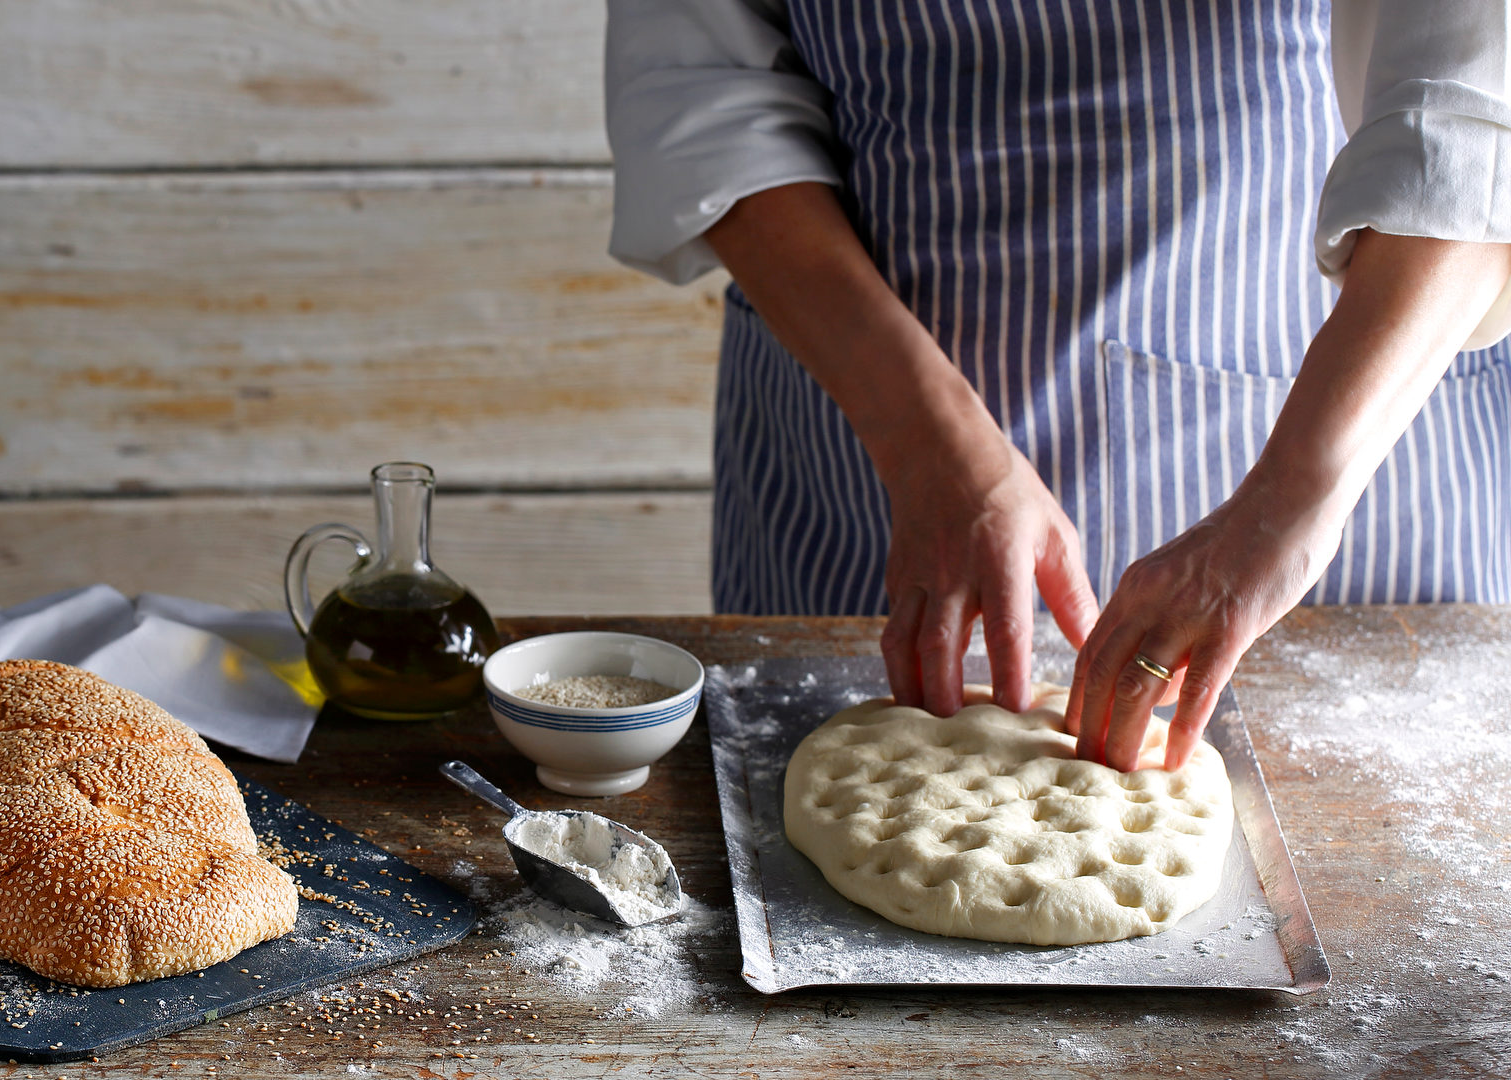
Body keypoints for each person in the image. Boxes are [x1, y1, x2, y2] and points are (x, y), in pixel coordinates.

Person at [605, 1, 1511, 770]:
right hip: (860, 451)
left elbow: (1476, 108)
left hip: (1334, 417)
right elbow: (704, 96)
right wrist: (927, 442)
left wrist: (1292, 498)